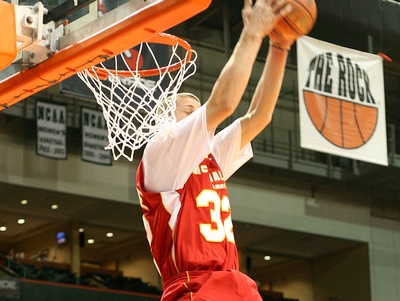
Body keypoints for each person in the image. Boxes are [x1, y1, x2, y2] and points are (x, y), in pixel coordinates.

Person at [136, 0, 295, 300]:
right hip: (193, 287)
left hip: (233, 285)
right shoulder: (161, 151)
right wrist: (252, 33)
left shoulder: (209, 156)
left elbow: (259, 116)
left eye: (198, 112)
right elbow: (223, 104)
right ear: (165, 120)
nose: (200, 120)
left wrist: (280, 47)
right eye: (188, 111)